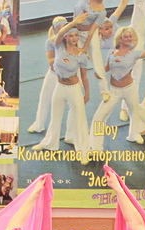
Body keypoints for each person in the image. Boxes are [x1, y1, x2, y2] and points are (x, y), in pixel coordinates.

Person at [90, 27, 145, 146]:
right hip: (114, 91)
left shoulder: (134, 54)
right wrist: (99, 72)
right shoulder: (111, 52)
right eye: (126, 36)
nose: (128, 38)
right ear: (120, 38)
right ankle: (94, 145)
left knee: (134, 112)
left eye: (130, 36)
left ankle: (133, 135)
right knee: (99, 116)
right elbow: (106, 68)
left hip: (129, 89)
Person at [31, 13, 94, 165]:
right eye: (70, 35)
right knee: (55, 116)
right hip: (59, 87)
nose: (74, 38)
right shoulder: (58, 46)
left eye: (76, 35)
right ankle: (50, 143)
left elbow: (84, 77)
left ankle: (83, 151)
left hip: (74, 89)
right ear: (65, 37)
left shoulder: (81, 55)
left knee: (80, 120)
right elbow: (59, 34)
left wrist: (87, 93)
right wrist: (73, 22)